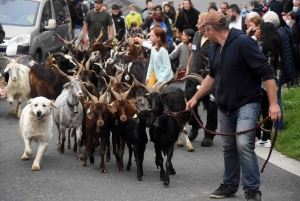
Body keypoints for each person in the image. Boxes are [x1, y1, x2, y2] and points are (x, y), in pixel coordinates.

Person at [186, 11, 281, 201]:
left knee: (244, 144)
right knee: (229, 145)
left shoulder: (244, 43)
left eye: (203, 27)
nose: (201, 30)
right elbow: (212, 76)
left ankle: (253, 190)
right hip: (225, 104)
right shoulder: (214, 47)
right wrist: (196, 97)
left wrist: (273, 104)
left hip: (247, 102)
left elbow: (267, 72)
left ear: (211, 29)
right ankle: (229, 185)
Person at [185, 13, 218, 147]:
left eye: (199, 23)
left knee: (210, 105)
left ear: (206, 25)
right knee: (189, 101)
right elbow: (193, 52)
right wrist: (188, 66)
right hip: (193, 75)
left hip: (208, 77)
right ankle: (195, 125)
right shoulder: (197, 35)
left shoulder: (214, 39)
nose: (197, 26)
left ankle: (209, 134)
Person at [263, 11, 297, 131]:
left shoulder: (276, 36)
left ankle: (278, 127)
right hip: (286, 68)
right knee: (277, 99)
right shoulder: (284, 31)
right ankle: (277, 126)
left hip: (279, 70)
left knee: (276, 100)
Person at [254, 22, 285, 148]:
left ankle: (258, 134)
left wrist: (254, 37)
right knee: (267, 110)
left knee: (257, 110)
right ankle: (266, 137)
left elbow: (252, 52)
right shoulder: (278, 46)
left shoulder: (262, 46)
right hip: (274, 82)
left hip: (262, 83)